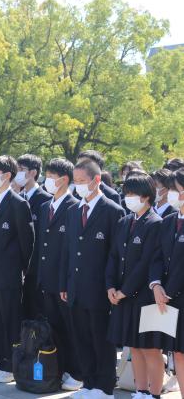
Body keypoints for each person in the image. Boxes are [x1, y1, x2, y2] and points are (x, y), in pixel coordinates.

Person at [60, 158, 125, 399]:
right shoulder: (73, 210)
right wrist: (64, 283)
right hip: (75, 285)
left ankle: (104, 386)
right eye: (74, 182)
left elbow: (115, 255)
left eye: (81, 181)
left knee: (100, 338)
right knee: (81, 337)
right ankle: (88, 383)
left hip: (99, 287)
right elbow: (67, 251)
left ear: (96, 180)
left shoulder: (112, 211)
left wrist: (111, 285)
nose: (77, 186)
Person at [106, 173, 164, 399]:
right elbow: (112, 256)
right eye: (126, 193)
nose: (127, 198)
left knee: (150, 348)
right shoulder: (124, 221)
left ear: (146, 196)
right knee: (134, 346)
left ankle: (155, 393)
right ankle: (141, 390)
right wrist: (110, 285)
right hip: (122, 295)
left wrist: (124, 290)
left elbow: (146, 263)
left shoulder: (155, 223)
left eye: (132, 194)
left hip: (144, 296)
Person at [0, 155, 34, 384]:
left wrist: (20, 270)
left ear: (7, 175)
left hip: (9, 274)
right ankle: (1, 363)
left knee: (10, 321)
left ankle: (12, 365)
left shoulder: (18, 204)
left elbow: (26, 242)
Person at [31, 158, 82, 391]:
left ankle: (76, 371)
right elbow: (41, 245)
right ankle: (58, 368)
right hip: (45, 278)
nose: (47, 181)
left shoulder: (74, 206)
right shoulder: (45, 207)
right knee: (53, 328)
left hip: (63, 280)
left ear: (63, 179)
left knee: (70, 328)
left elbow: (72, 250)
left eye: (51, 177)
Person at [149, 168, 184, 394]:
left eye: (179, 190)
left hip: (178, 295)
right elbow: (157, 257)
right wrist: (156, 285)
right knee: (177, 352)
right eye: (173, 190)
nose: (175, 195)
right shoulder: (169, 221)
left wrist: (168, 290)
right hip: (165, 297)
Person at [16, 154, 52, 319]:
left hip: (36, 268)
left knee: (36, 312)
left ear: (33, 172)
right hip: (17, 266)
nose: (17, 173)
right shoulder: (16, 198)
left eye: (21, 170)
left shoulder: (45, 200)